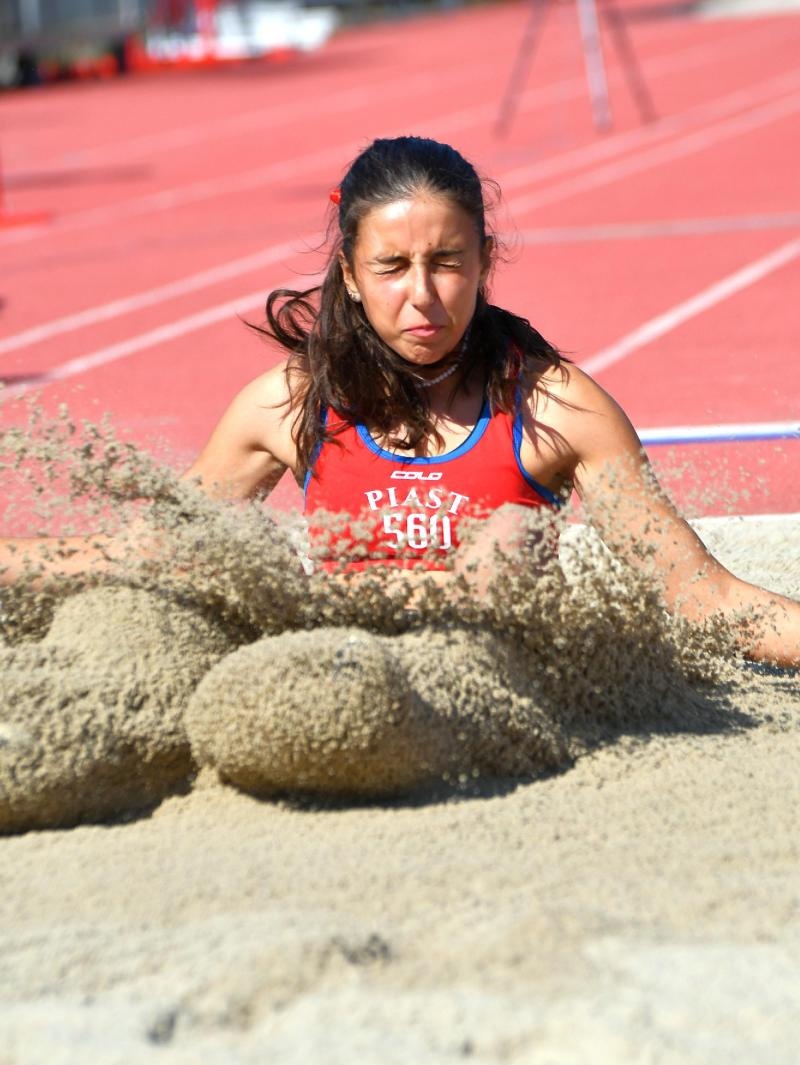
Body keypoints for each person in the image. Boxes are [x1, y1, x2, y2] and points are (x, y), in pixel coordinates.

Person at [1, 135, 799, 667]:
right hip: (346, 669)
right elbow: (150, 550)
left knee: (507, 544)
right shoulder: (288, 407)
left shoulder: (554, 406)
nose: (423, 296)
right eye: (391, 267)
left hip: (493, 690)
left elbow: (701, 597)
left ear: (486, 262)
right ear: (349, 273)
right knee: (217, 568)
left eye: (447, 261)